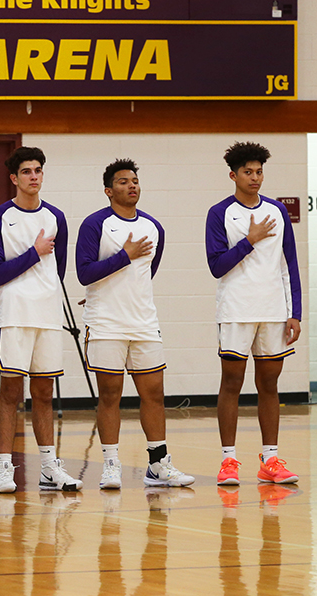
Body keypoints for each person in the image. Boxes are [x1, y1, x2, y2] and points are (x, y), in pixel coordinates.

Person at [76, 159, 195, 490]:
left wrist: (126, 282)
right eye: (124, 181)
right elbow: (84, 272)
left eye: (135, 181)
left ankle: (158, 464)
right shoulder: (94, 224)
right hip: (106, 324)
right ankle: (111, 464)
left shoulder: (154, 227)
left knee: (154, 393)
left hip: (143, 322)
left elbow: (147, 272)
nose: (132, 186)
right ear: (108, 190)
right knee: (110, 394)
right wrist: (123, 256)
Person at [0, 146, 82, 494]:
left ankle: (47, 466)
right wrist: (34, 253)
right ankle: (5, 466)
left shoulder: (56, 216)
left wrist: (41, 268)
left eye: (38, 170)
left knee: (44, 391)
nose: (34, 176)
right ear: (14, 178)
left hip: (46, 314)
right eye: (26, 171)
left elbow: (58, 271)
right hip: (13, 313)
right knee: (11, 390)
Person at [205, 142, 302, 486]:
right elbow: (217, 265)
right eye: (248, 171)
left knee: (269, 386)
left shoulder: (276, 211)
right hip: (236, 310)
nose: (255, 177)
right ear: (233, 175)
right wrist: (249, 240)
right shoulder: (219, 213)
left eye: (259, 171)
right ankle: (228, 460)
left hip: (274, 310)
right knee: (231, 383)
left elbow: (289, 263)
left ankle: (271, 459)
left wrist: (296, 313)